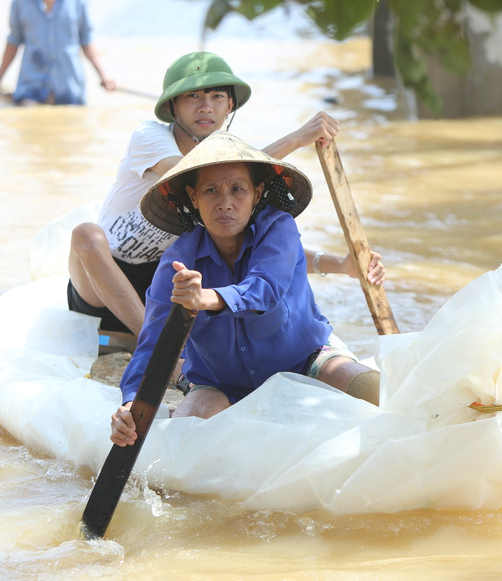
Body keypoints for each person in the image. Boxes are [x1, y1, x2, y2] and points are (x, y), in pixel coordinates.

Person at [67, 51, 384, 356]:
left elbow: (261, 243)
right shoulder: (150, 136)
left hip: (167, 283)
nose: (206, 107)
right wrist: (296, 139)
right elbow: (190, 173)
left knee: (227, 244)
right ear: (173, 107)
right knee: (86, 234)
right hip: (104, 281)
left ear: (230, 105)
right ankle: (155, 349)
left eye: (217, 97)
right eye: (194, 97)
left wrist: (340, 265)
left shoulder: (228, 167)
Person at [110, 131, 382, 446]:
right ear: (193, 198)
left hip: (303, 359)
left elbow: (265, 289)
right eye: (211, 190)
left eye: (237, 189)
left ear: (257, 192)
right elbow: (153, 346)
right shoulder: (177, 261)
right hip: (219, 382)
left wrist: (205, 298)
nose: (225, 202)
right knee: (180, 444)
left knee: (371, 390)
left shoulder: (279, 228)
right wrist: (131, 405)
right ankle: (182, 400)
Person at [0, 0, 115, 106]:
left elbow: (87, 42)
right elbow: (13, 43)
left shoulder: (78, 0)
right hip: (31, 87)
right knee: (28, 116)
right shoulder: (20, 1)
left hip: (70, 88)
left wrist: (104, 77)